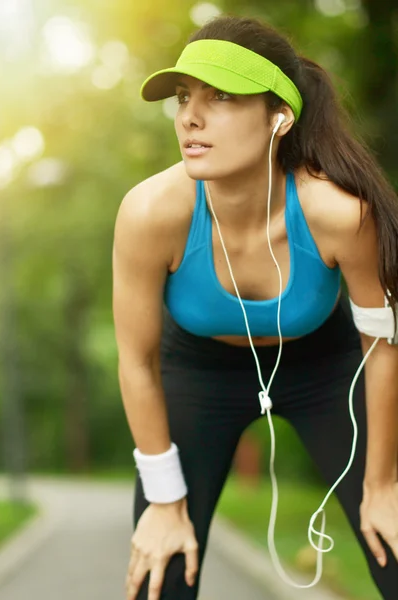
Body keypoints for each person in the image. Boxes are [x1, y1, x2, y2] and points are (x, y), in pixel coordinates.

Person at [112, 14, 398, 600]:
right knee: (160, 570)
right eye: (185, 97)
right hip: (196, 371)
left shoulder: (341, 213)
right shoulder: (149, 214)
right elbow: (136, 363)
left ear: (279, 118)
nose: (190, 116)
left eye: (220, 98)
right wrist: (166, 503)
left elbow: (382, 345)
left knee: (393, 542)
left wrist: (385, 482)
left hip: (327, 366)